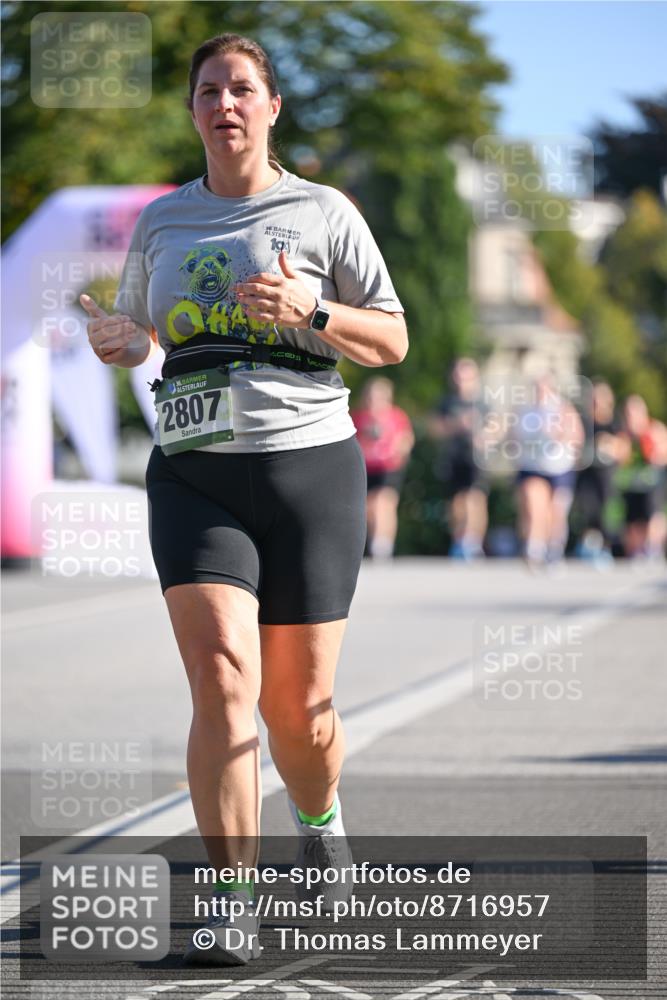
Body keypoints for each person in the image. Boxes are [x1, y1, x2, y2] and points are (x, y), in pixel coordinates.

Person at [81, 33, 407, 965]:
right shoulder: (162, 222)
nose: (224, 104)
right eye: (209, 90)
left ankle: (320, 816)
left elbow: (391, 340)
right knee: (224, 682)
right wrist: (120, 337)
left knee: (297, 712)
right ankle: (231, 900)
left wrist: (308, 312)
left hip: (309, 471)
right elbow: (144, 331)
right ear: (192, 111)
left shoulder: (323, 212)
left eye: (242, 89)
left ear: (271, 109)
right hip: (194, 472)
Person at [512, 373, 585, 569]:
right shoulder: (525, 410)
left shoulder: (563, 408)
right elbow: (514, 438)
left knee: (556, 510)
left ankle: (554, 549)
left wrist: (559, 434)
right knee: (534, 506)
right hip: (532, 466)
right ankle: (534, 548)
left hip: (559, 467)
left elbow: (577, 436)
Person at [430, 358, 488, 560]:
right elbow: (435, 430)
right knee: (456, 500)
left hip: (476, 457)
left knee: (475, 498)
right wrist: (456, 424)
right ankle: (459, 541)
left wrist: (484, 436)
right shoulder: (447, 402)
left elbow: (497, 427)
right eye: (458, 374)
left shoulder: (483, 402)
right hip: (453, 456)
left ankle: (474, 542)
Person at [351, 377, 414, 559]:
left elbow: (406, 438)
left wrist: (400, 452)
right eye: (371, 397)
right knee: (369, 506)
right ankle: (375, 539)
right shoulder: (358, 416)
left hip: (389, 466)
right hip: (366, 467)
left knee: (384, 502)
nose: (374, 401)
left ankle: (383, 544)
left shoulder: (396, 416)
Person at [574, 380, 623, 563]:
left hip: (607, 474)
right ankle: (588, 546)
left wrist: (610, 444)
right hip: (587, 473)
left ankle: (606, 547)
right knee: (588, 509)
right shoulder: (585, 420)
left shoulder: (614, 422)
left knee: (607, 511)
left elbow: (623, 447)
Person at [616, 395, 667, 559]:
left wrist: (652, 451)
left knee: (653, 515)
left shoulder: (654, 429)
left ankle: (653, 549)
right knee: (632, 520)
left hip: (653, 481)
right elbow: (620, 457)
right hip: (632, 483)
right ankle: (636, 551)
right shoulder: (625, 435)